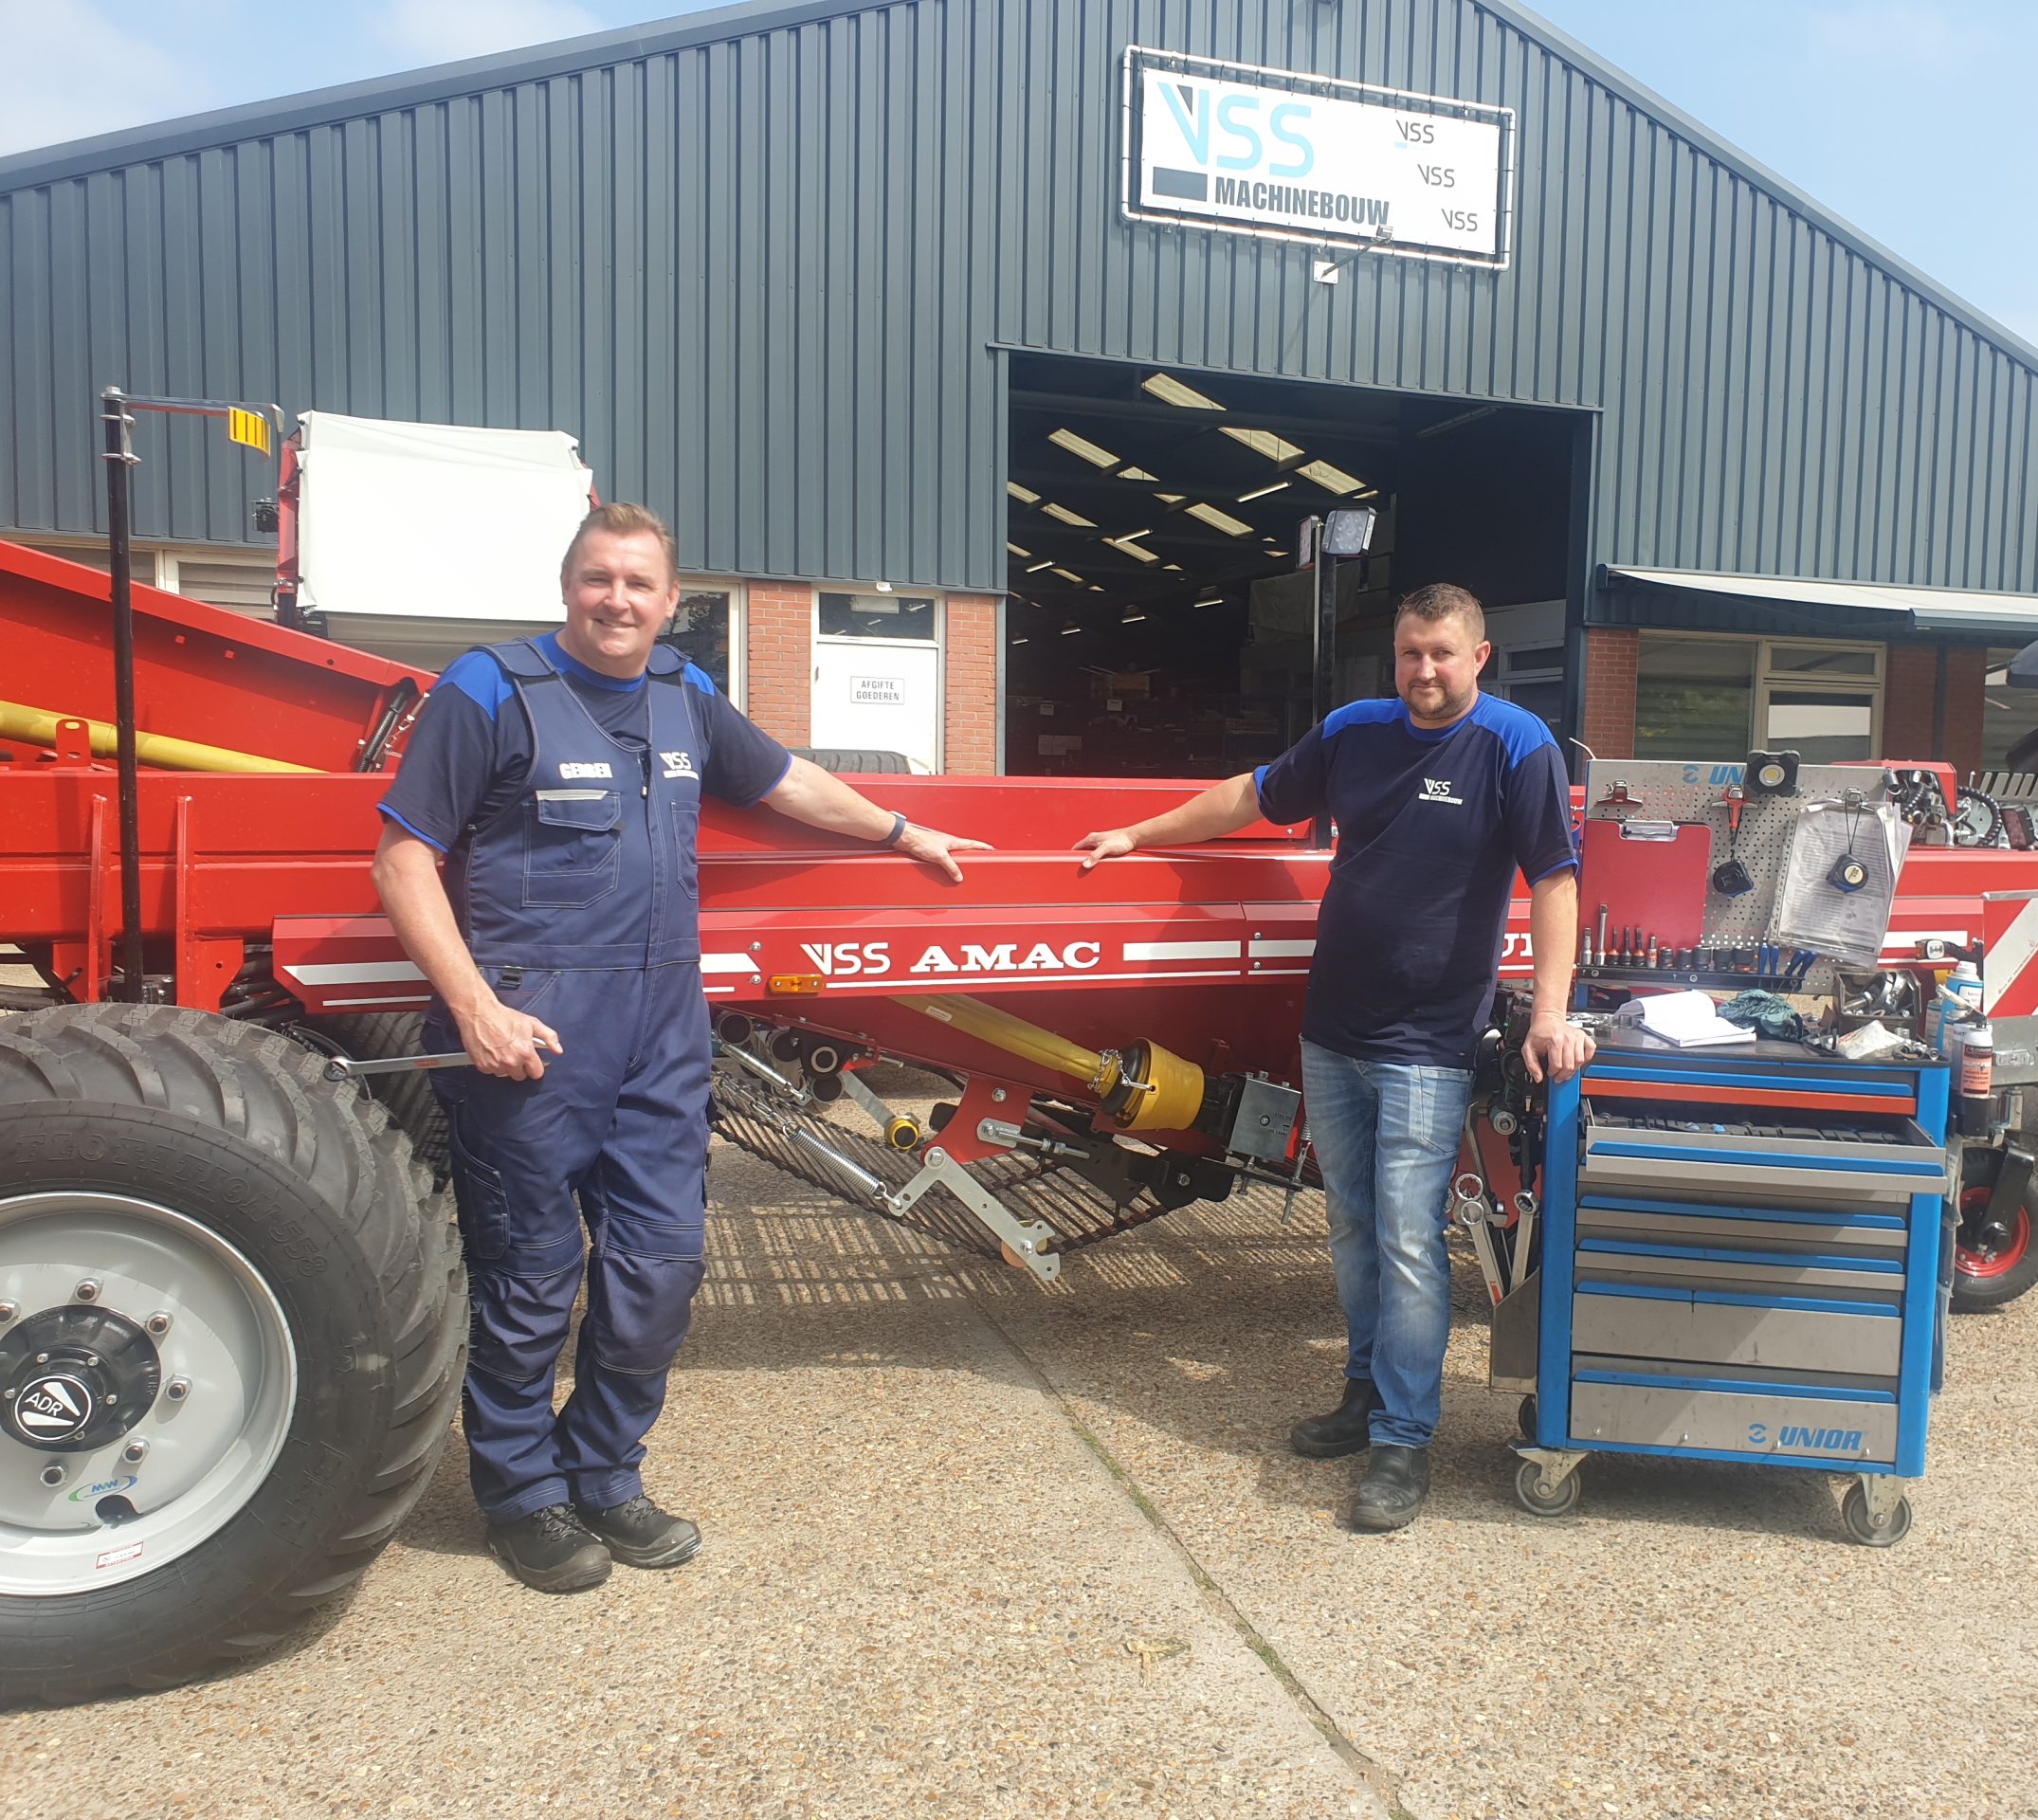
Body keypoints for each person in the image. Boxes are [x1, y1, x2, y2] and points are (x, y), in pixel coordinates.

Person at [372, 501, 986, 1593]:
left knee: (659, 1270)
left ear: (669, 603)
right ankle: (520, 1495)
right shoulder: (489, 688)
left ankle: (605, 1473)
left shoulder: (683, 695)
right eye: (598, 579)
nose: (617, 600)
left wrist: (903, 832)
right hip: (533, 1035)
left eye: (638, 585)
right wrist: (471, 1006)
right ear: (570, 587)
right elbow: (403, 857)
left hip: (661, 1033)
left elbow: (786, 779)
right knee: (529, 1280)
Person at [1074, 582, 1589, 1531]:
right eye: (1408, 653)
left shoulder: (1517, 747)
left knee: (1404, 1235)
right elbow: (1252, 795)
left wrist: (1549, 1010)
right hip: (1335, 1028)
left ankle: (1402, 1439)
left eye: (1440, 653)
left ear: (1479, 658)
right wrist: (1135, 834)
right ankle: (1362, 1391)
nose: (1422, 671)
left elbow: (1555, 880)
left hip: (1429, 1041)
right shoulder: (1355, 730)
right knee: (1351, 1227)